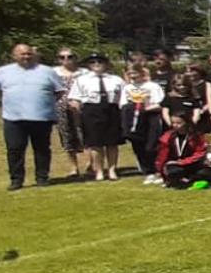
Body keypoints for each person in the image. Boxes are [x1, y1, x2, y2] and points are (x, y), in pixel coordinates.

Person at [0, 45, 66, 190]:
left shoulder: (47, 71)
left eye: (28, 54)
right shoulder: (3, 72)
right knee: (14, 149)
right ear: (14, 56)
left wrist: (44, 103)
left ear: (33, 55)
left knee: (42, 149)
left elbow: (59, 92)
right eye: (22, 54)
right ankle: (16, 180)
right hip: (13, 118)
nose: (26, 57)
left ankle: (42, 178)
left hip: (41, 117)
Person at [68, 53, 126, 181]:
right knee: (95, 143)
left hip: (112, 110)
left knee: (112, 143)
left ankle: (112, 170)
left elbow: (124, 97)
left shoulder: (116, 79)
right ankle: (99, 171)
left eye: (100, 61)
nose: (97, 64)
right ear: (88, 65)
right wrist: (76, 108)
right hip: (91, 111)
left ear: (106, 64)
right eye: (93, 62)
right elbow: (74, 98)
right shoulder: (81, 80)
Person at [120, 65, 167, 183]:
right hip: (134, 119)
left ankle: (158, 171)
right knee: (138, 145)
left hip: (151, 117)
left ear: (141, 73)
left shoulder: (152, 86)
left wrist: (146, 108)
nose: (132, 76)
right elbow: (123, 104)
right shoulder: (127, 88)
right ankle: (148, 171)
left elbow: (161, 103)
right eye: (130, 73)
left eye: (134, 73)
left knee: (152, 145)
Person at [50, 47, 87, 178]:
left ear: (75, 58)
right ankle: (74, 167)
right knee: (67, 136)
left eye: (69, 56)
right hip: (61, 107)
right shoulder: (54, 72)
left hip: (82, 106)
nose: (66, 60)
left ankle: (91, 163)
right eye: (62, 57)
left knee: (85, 134)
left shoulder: (84, 72)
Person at [155, 114, 207, 188]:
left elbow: (199, 153)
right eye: (173, 123)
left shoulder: (195, 136)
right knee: (174, 171)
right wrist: (160, 170)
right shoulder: (168, 137)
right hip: (174, 164)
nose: (175, 125)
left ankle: (189, 179)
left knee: (203, 173)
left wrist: (182, 162)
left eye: (179, 123)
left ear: (186, 123)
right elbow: (162, 156)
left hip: (192, 164)